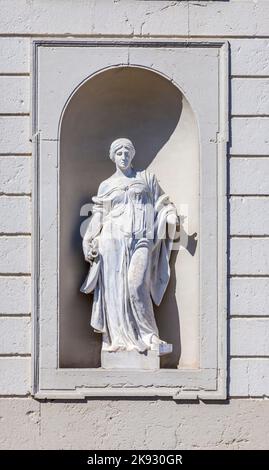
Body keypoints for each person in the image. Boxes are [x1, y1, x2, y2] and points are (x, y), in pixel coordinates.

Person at [81, 138, 178, 355]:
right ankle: (118, 340)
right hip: (112, 242)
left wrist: (170, 215)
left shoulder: (146, 178)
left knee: (135, 284)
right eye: (119, 152)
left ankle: (149, 335)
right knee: (115, 291)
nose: (123, 156)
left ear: (132, 154)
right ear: (112, 156)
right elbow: (98, 216)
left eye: (127, 152)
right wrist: (88, 241)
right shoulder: (106, 185)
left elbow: (162, 202)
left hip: (141, 239)